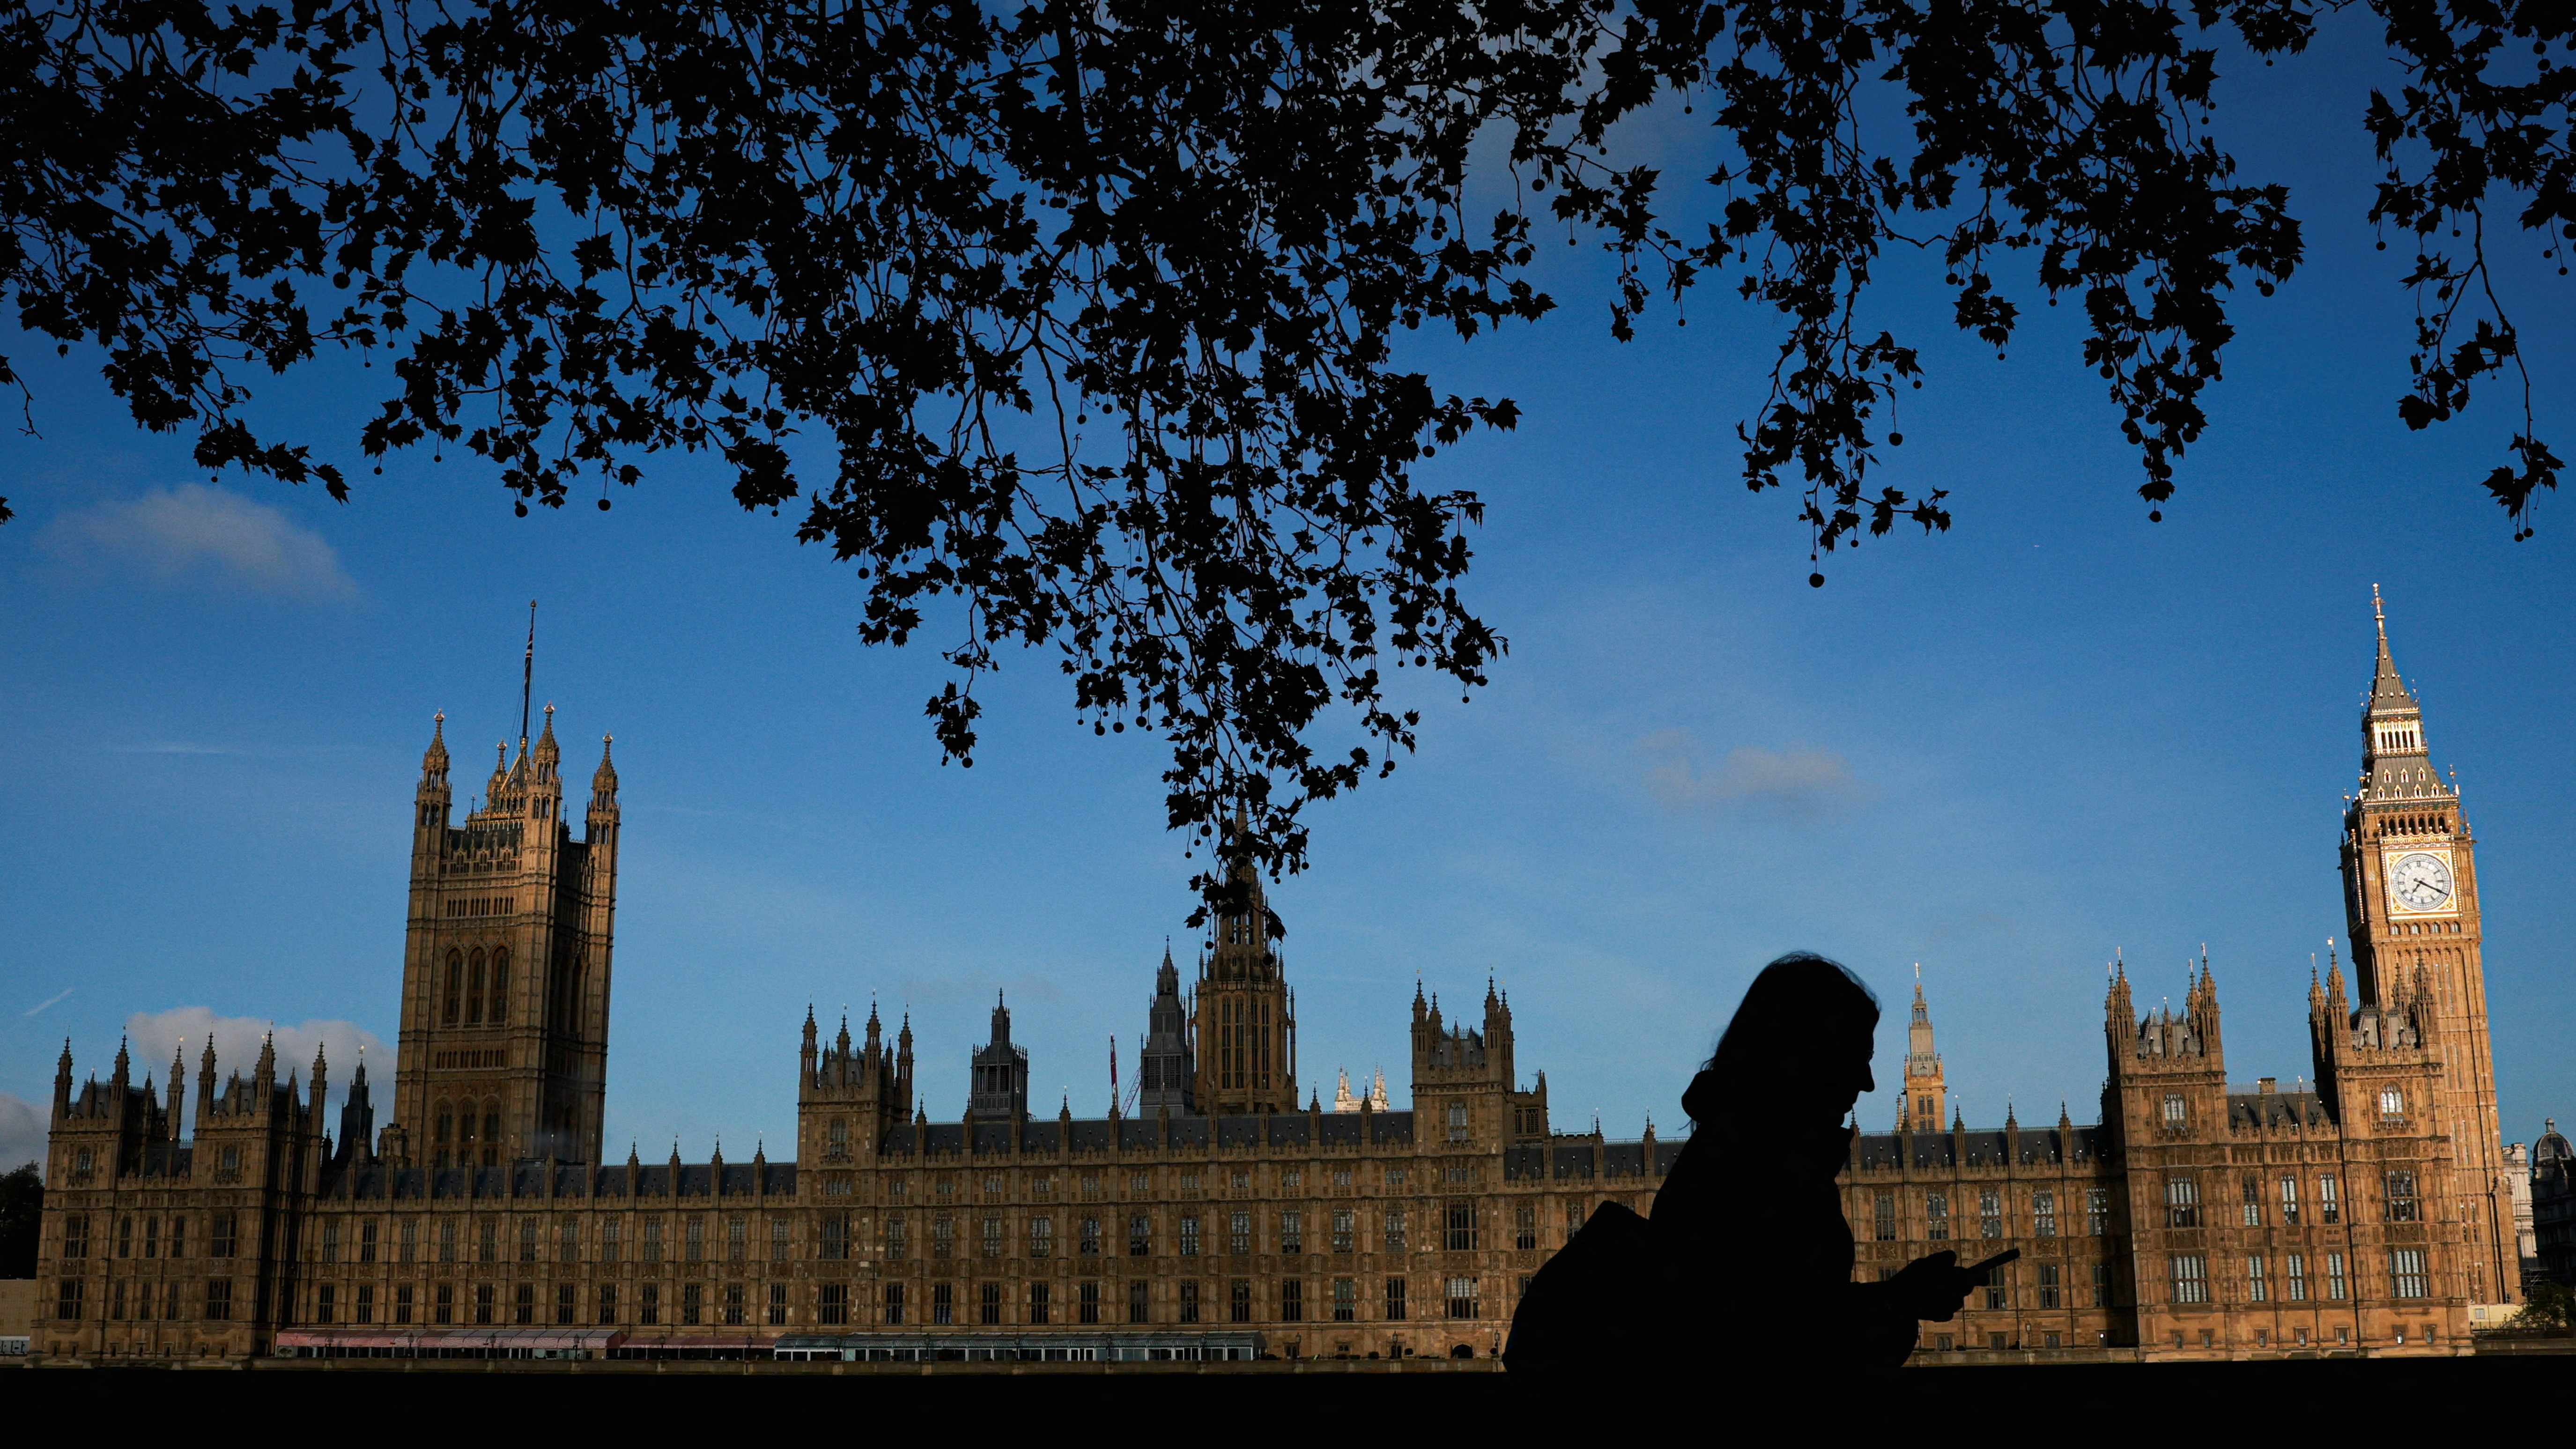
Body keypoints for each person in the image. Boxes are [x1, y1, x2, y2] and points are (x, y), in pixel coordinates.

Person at [1504, 953, 1976, 1374]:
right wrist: (1896, 1301)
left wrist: (1895, 1298)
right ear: (1804, 1058)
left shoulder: (1737, 1146)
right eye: (1856, 1057)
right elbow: (1767, 1341)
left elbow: (1777, 1311)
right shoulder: (1759, 1166)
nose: (1869, 1082)